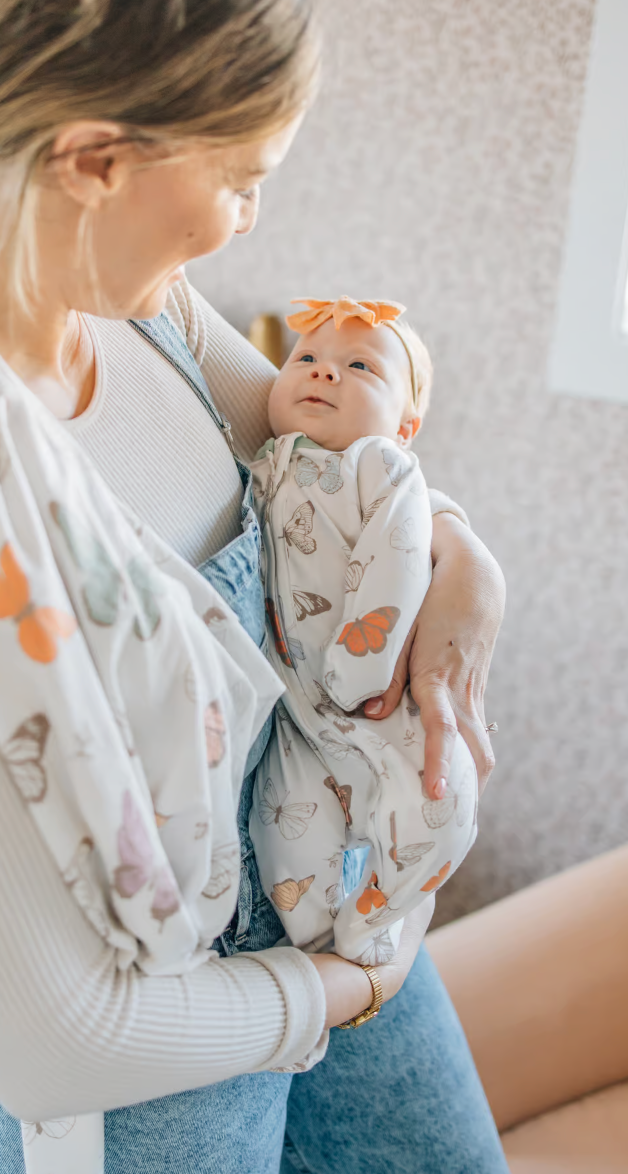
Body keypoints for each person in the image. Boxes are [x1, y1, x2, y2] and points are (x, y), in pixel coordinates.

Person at [0, 2, 508, 1171]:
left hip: (328, 885)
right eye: (242, 178)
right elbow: (54, 1039)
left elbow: (323, 453)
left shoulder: (141, 311)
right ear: (95, 160)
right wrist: (347, 989)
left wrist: (462, 553)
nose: (248, 219)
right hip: (156, 1053)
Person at [249, 297, 477, 966]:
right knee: (284, 825)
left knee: (441, 801)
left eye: (359, 366)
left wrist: (362, 662)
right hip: (299, 719)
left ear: (405, 426)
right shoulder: (265, 461)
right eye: (306, 359)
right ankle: (321, 938)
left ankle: (381, 908)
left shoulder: (383, 469)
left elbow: (396, 558)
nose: (324, 374)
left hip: (379, 699)